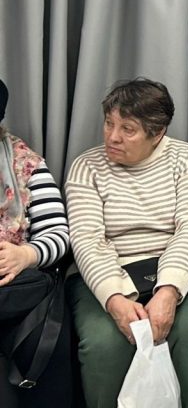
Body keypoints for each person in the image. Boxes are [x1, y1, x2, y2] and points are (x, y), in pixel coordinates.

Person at [65, 78, 188, 408]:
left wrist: (168, 291)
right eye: (109, 123)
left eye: (128, 129)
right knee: (103, 343)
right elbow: (88, 239)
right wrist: (115, 299)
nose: (113, 137)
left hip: (180, 270)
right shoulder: (86, 166)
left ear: (158, 133)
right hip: (107, 274)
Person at [0, 78, 72, 407]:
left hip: (15, 291)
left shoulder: (24, 162)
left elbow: (59, 234)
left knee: (48, 344)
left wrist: (26, 255)